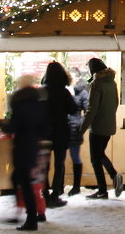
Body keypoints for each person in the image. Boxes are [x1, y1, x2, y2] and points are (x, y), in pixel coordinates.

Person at [1, 76, 46, 231]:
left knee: (23, 182)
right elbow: (44, 127)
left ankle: (31, 218)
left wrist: (2, 124)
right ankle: (32, 214)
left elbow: (14, 126)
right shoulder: (38, 103)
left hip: (22, 147)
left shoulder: (19, 103)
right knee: (26, 181)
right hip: (33, 146)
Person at [81, 58, 122, 200]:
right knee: (100, 155)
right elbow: (116, 103)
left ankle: (105, 188)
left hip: (97, 127)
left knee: (95, 158)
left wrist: (82, 129)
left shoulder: (96, 84)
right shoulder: (112, 83)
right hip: (109, 126)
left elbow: (91, 109)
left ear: (93, 70)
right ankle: (112, 179)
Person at [41, 63, 74, 208]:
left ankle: (45, 195)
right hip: (61, 131)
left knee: (44, 166)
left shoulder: (42, 92)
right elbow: (73, 109)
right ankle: (55, 194)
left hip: (45, 132)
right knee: (59, 165)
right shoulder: (64, 92)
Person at [65, 68, 88, 196]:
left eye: (73, 76)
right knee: (61, 157)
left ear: (78, 78)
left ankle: (76, 186)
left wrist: (80, 123)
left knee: (75, 157)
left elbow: (87, 109)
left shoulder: (82, 93)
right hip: (64, 126)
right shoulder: (64, 91)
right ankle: (59, 186)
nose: (71, 78)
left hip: (74, 128)